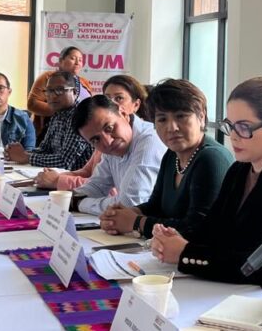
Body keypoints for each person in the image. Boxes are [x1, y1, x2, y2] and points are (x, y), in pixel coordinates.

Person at [149, 76, 262, 302]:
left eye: (244, 127)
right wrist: (171, 238)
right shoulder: (240, 169)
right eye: (230, 126)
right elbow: (211, 231)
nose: (233, 137)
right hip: (230, 292)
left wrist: (186, 253)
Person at [99, 79, 233, 238]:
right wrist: (124, 214)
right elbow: (156, 206)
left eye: (181, 116)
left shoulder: (211, 158)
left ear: (201, 117)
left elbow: (197, 229)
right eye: (162, 119)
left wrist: (136, 222)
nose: (172, 128)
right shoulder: (171, 155)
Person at [35, 73, 150, 191]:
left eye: (119, 98)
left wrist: (58, 180)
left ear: (135, 105)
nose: (111, 103)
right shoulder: (101, 135)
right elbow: (93, 178)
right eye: (107, 98)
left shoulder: (144, 141)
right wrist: (54, 177)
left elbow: (113, 191)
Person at [65, 94, 165, 215]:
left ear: (123, 113)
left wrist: (80, 204)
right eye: (96, 139)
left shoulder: (150, 142)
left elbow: (129, 204)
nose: (108, 142)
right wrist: (70, 198)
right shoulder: (114, 146)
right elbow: (97, 186)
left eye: (109, 128)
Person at [5, 71, 91, 170]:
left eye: (59, 90)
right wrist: (18, 153)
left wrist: (26, 157)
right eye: (49, 91)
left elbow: (65, 162)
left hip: (79, 177)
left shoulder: (81, 116)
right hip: (57, 175)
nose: (52, 96)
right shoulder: (57, 114)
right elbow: (45, 149)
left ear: (74, 92)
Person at [27, 46, 93, 138]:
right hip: (50, 132)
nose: (77, 63)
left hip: (81, 133)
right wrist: (67, 113)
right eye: (73, 58)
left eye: (80, 60)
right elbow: (32, 104)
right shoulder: (48, 77)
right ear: (61, 61)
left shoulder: (85, 82)